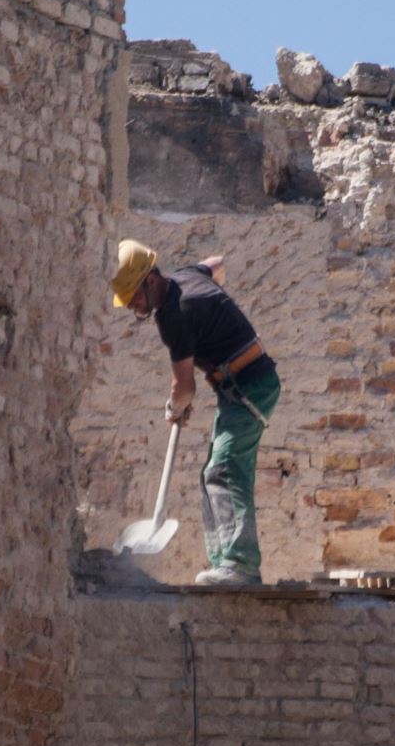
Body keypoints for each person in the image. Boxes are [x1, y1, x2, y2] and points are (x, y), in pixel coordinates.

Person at [110, 239, 281, 587]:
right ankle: (223, 562)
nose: (133, 306)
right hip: (238, 385)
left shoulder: (174, 315)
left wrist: (176, 407)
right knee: (211, 472)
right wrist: (215, 316)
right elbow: (217, 262)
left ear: (151, 280)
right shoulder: (188, 276)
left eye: (135, 297)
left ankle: (240, 566)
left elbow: (184, 387)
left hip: (250, 385)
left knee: (226, 466)